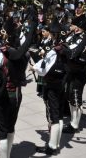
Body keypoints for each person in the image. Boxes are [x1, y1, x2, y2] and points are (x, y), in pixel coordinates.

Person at [0, 10, 37, 158]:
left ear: (7, 35)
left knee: (2, 131)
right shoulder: (25, 53)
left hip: (2, 95)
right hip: (16, 94)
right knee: (10, 127)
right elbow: (26, 45)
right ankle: (8, 154)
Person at [31, 18, 66, 155]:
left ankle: (52, 146)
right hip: (61, 82)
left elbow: (45, 68)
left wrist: (34, 68)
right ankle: (56, 142)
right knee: (59, 115)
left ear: (52, 34)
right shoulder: (63, 45)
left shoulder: (53, 50)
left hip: (52, 84)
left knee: (53, 115)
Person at [61, 13, 86, 134]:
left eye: (72, 24)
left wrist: (63, 48)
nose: (70, 26)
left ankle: (74, 125)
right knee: (70, 96)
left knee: (76, 97)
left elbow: (72, 52)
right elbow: (64, 43)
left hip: (80, 72)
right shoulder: (72, 35)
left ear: (78, 27)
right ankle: (72, 117)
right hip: (71, 70)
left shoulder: (83, 38)